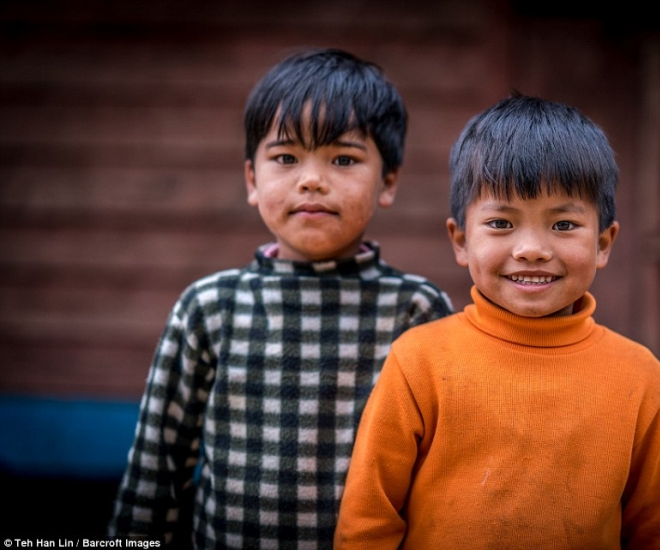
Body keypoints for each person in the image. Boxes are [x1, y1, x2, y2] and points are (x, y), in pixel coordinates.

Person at [109, 48, 453, 549]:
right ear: (253, 180)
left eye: (343, 159)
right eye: (286, 158)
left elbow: (441, 475)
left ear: (388, 182)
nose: (311, 179)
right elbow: (155, 469)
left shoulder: (416, 311)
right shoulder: (209, 307)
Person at [334, 95, 660, 549]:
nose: (531, 249)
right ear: (461, 240)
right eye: (501, 223)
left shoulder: (641, 379)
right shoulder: (420, 361)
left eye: (563, 226)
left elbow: (658, 533)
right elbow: (368, 522)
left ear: (603, 243)